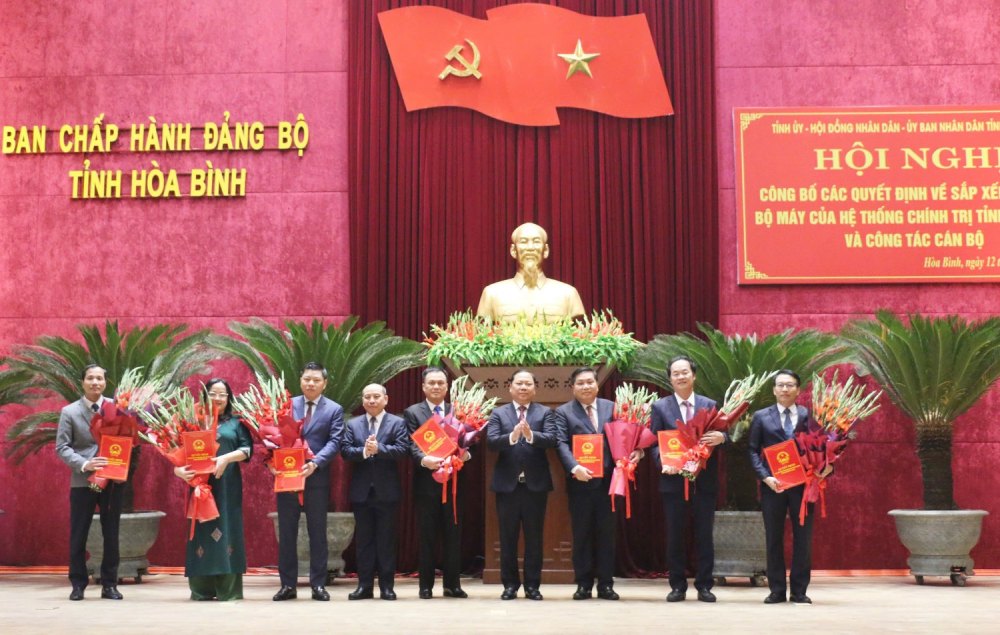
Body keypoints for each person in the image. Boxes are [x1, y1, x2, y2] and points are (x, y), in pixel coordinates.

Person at [554, 367, 640, 601]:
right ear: (573, 387)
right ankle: (583, 584)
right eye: (580, 383)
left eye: (589, 382)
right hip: (580, 483)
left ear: (597, 384)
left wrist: (637, 451)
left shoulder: (612, 408)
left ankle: (606, 585)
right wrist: (574, 468)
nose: (586, 386)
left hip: (609, 483)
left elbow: (626, 436)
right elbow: (560, 443)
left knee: (607, 535)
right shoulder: (563, 412)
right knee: (581, 535)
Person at [748, 370, 831, 605]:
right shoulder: (761, 417)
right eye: (780, 385)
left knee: (803, 539)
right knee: (773, 538)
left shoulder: (809, 415)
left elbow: (823, 446)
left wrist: (826, 468)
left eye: (790, 385)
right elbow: (752, 450)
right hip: (773, 486)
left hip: (803, 487)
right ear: (774, 389)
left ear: (798, 389)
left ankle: (799, 591)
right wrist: (765, 477)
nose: (785, 389)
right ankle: (776, 590)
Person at [650, 355, 725, 603]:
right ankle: (677, 586)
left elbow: (723, 434)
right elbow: (653, 443)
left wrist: (722, 438)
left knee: (704, 535)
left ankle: (704, 585)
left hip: (704, 483)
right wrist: (663, 462)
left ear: (694, 375)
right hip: (673, 482)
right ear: (670, 378)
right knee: (675, 535)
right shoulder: (660, 407)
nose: (681, 376)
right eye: (676, 373)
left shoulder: (709, 404)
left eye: (685, 372)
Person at [172, 378, 252, 601]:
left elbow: (247, 449)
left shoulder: (236, 423)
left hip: (227, 485)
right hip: (200, 485)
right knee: (202, 533)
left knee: (227, 530)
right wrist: (178, 471)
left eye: (222, 394)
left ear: (229, 398)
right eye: (213, 393)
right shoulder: (191, 422)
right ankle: (202, 589)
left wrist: (226, 458)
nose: (217, 398)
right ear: (204, 396)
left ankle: (228, 590)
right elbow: (176, 451)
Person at [273, 362, 345, 602]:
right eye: (307, 379)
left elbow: (335, 441)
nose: (311, 383)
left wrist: (315, 463)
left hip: (316, 479)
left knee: (317, 533)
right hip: (287, 478)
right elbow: (272, 437)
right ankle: (287, 585)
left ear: (325, 383)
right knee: (287, 533)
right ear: (300, 380)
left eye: (316, 380)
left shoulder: (334, 409)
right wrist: (271, 462)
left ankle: (318, 585)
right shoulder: (286, 405)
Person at [486, 369, 558, 600]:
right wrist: (512, 437)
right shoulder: (499, 413)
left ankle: (532, 586)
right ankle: (509, 585)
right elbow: (491, 442)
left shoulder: (545, 413)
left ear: (534, 389)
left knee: (534, 538)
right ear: (510, 387)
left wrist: (530, 435)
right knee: (507, 538)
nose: (523, 387)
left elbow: (551, 439)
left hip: (535, 485)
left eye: (528, 384)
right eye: (519, 383)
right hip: (507, 486)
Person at [55, 364, 125, 601]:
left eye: (99, 378)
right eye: (90, 378)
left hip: (112, 481)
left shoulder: (117, 408)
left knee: (111, 533)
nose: (95, 382)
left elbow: (127, 439)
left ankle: (110, 584)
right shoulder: (69, 412)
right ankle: (78, 584)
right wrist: (86, 464)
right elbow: (62, 447)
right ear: (82, 382)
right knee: (79, 533)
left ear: (106, 382)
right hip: (83, 482)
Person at [403, 367, 471, 599]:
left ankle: (453, 585)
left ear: (447, 387)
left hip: (455, 484)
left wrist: (465, 454)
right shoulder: (413, 412)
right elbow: (411, 444)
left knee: (454, 535)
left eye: (440, 383)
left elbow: (467, 441)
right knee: (427, 536)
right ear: (423, 387)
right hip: (427, 483)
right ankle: (426, 586)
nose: (436, 387)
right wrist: (424, 461)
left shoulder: (458, 411)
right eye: (431, 383)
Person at [342, 384, 409, 600]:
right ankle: (364, 586)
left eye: (376, 396)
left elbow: (403, 450)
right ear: (362, 400)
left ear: (385, 399)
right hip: (361, 492)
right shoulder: (353, 424)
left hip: (387, 492)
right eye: (367, 397)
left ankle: (387, 587)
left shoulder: (397, 423)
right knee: (364, 541)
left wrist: (380, 449)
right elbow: (345, 451)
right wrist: (364, 451)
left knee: (386, 541)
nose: (371, 400)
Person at [476, 222, 585, 323]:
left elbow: (580, 333)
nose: (530, 248)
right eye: (523, 242)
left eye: (536, 242)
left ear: (546, 250)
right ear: (513, 250)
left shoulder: (568, 294)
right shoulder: (492, 294)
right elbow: (481, 333)